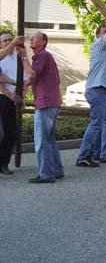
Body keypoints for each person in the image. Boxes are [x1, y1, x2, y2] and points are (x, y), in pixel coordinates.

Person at [16, 32, 64, 183]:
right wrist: (24, 86)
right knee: (49, 139)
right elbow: (32, 77)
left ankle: (46, 175)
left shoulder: (43, 55)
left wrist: (23, 57)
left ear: (43, 42)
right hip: (51, 102)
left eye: (35, 38)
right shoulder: (43, 57)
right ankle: (57, 170)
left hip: (45, 102)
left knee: (42, 140)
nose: (31, 39)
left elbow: (32, 74)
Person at [76, 22, 106, 167]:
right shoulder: (97, 46)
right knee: (96, 123)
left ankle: (104, 153)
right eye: (103, 31)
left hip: (105, 91)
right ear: (97, 36)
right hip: (97, 89)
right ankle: (83, 155)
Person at [0, 31, 23, 175]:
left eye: (10, 39)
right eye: (5, 41)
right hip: (2, 97)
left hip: (12, 99)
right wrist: (8, 94)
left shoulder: (18, 57)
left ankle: (3, 163)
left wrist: (20, 92)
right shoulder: (1, 57)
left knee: (11, 133)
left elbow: (23, 78)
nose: (9, 42)